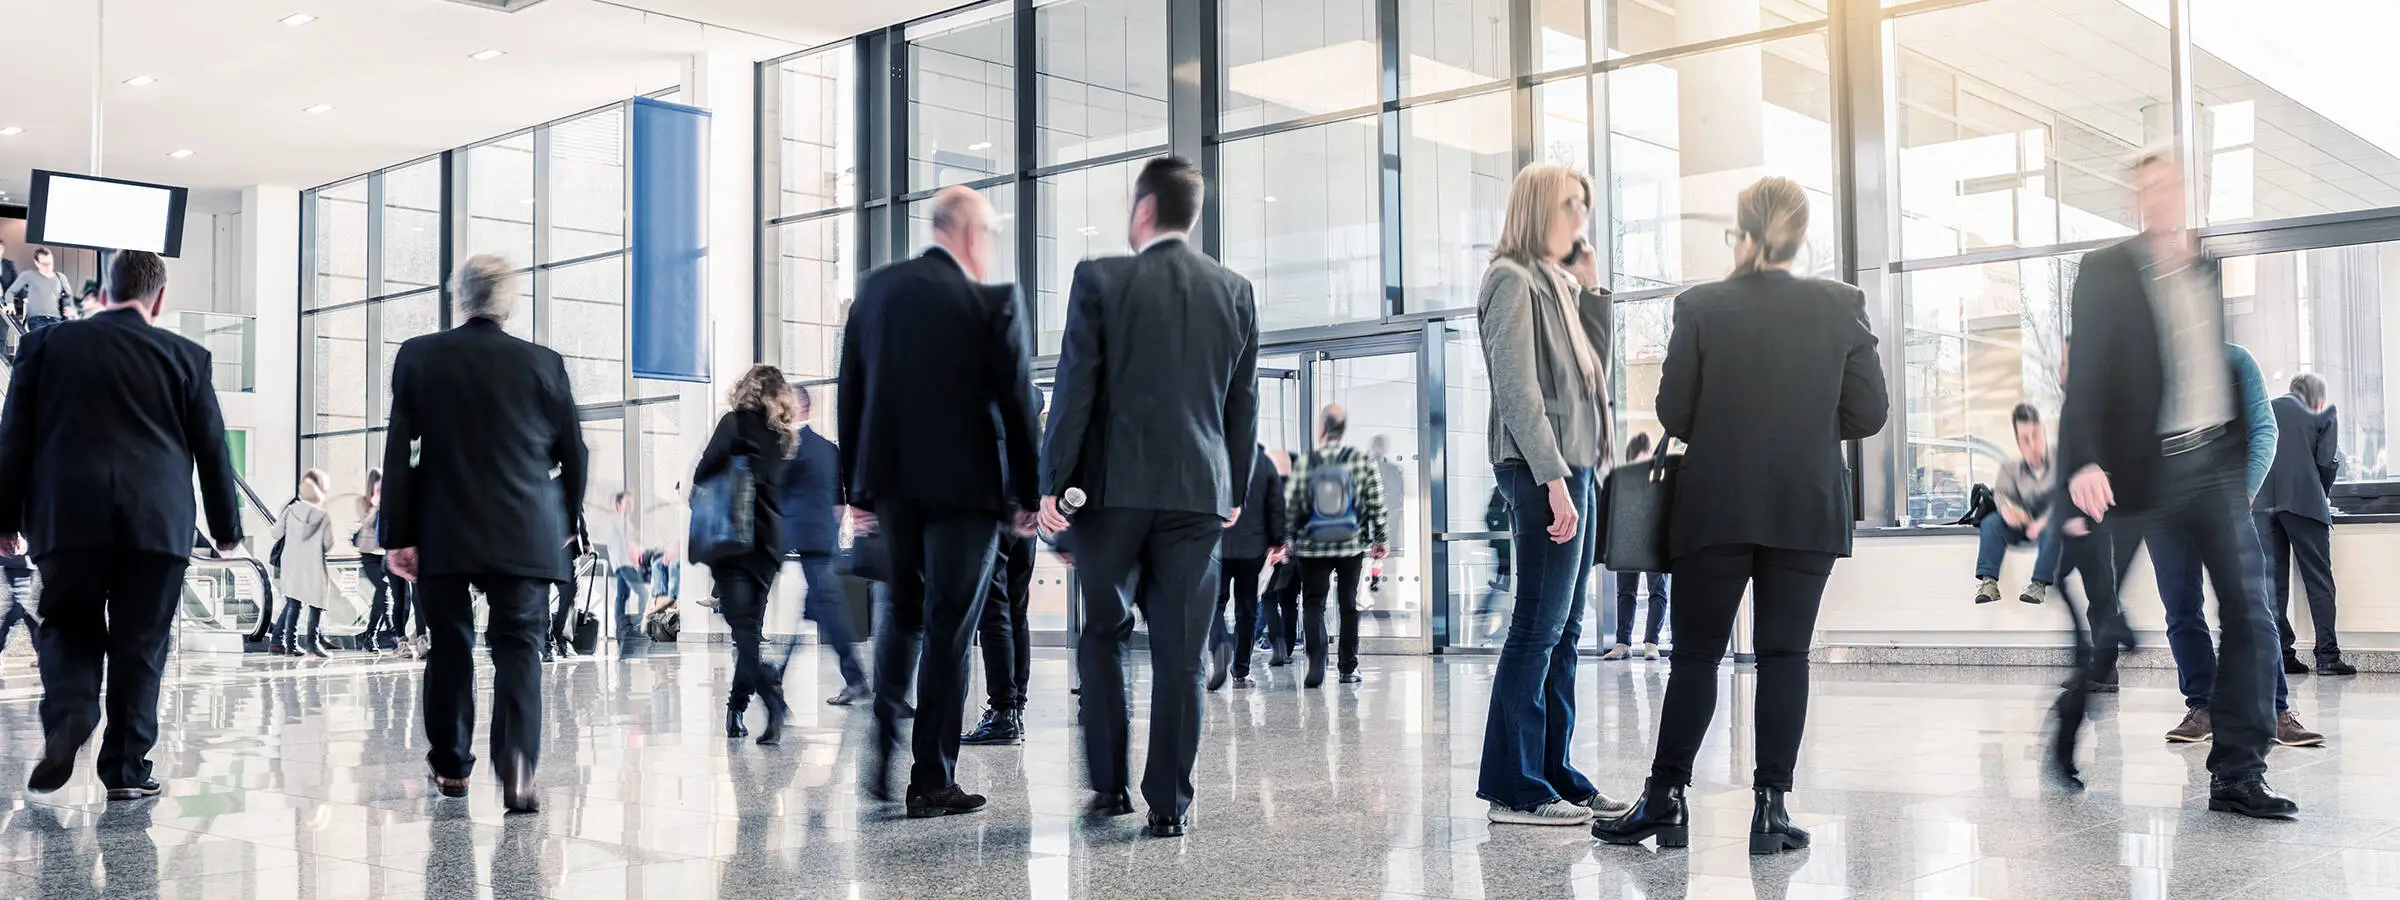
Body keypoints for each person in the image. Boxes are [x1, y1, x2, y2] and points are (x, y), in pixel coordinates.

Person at [1596, 176, 1888, 854]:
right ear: (1803, 232)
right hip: (1806, 504)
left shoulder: (1702, 305)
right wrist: (1807, 425)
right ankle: (1769, 811)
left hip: (1716, 503)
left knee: (1696, 657)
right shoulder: (1840, 304)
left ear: (1744, 230)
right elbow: (1869, 413)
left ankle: (1666, 798)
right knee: (1785, 657)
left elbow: (1674, 413)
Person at [2045, 151, 2293, 819]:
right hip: (2137, 467)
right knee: (2105, 621)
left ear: (2192, 193)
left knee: (2251, 613)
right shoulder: (2105, 272)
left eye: (2173, 185)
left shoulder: (2206, 272)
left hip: (2211, 464)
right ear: (2137, 198)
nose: (2161, 196)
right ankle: (2068, 721)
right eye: (2148, 187)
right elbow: (2087, 377)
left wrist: (2240, 466)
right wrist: (2084, 463)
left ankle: (2238, 773)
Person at [1039, 155, 1259, 838]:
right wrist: (1234, 489)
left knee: (1103, 634)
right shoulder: (1234, 289)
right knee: (1181, 651)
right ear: (1190, 216)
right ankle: (1170, 802)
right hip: (1198, 496)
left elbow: (1076, 391)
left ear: (1141, 211)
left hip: (1111, 496)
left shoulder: (1100, 278)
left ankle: (1109, 789)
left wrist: (1055, 491)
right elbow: (1241, 404)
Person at [0, 249, 245, 800]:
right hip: (156, 527)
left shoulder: (45, 344)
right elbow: (213, 450)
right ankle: (127, 770)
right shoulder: (188, 356)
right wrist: (228, 530)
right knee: (142, 644)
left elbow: (13, 435)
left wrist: (5, 517)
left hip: (68, 520)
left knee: (66, 624)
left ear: (104, 292)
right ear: (159, 298)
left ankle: (71, 713)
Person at [840, 185, 1041, 819]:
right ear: (971, 235)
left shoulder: (875, 291)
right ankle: (931, 780)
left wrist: (856, 489)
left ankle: (881, 739)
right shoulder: (991, 302)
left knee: (902, 609)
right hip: (968, 492)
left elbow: (851, 389)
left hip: (894, 483)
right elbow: (1018, 404)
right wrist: (1028, 496)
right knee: (950, 630)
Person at [381, 254, 588, 814]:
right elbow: (574, 453)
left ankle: (451, 767)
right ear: (508, 302)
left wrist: (396, 533)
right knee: (519, 648)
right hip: (525, 531)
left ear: (459, 298)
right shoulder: (545, 364)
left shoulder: (419, 356)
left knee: (450, 646)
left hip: (442, 528)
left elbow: (399, 448)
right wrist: (565, 524)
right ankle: (518, 771)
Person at [1470, 163, 1618, 828]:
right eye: (1569, 206)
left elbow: (1593, 379)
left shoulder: (1556, 287)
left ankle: (1553, 769)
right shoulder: (1510, 280)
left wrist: (1593, 294)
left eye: (1584, 207)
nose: (1580, 220)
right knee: (1536, 627)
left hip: (1575, 465)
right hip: (1540, 469)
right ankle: (1514, 786)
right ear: (1538, 210)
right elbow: (1518, 389)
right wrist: (1555, 480)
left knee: (1564, 632)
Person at [697, 364, 796, 746]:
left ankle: (768, 696)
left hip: (732, 542)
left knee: (744, 633)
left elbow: (703, 473)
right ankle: (737, 709)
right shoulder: (785, 437)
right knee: (749, 631)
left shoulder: (733, 423)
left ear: (746, 390)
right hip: (768, 548)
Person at [1280, 405, 1387, 690]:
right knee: (1348, 605)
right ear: (1343, 428)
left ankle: (1316, 664)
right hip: (1350, 545)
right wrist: (1381, 540)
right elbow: (1377, 504)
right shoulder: (1361, 460)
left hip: (1312, 546)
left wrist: (1290, 541)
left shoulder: (1307, 462)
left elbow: (1291, 507)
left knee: (1313, 603)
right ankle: (1348, 669)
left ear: (1322, 428)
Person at [777, 384, 868, 706]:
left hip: (800, 539)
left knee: (827, 610)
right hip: (822, 539)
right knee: (817, 608)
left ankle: (855, 678)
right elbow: (838, 504)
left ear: (795, 408)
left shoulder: (787, 446)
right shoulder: (829, 449)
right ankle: (779, 675)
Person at [2255, 372, 2350, 677]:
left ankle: (2282, 655)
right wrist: (2321, 492)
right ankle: (2327, 656)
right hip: (2304, 502)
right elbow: (2325, 461)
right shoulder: (2323, 411)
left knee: (2273, 583)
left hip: (2261, 505)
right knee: (2319, 580)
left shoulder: (2267, 407)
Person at [1972, 404, 2064, 605]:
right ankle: (1989, 583)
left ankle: (2038, 584)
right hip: (2022, 525)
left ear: (2044, 433)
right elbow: (2002, 494)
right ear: (2018, 443)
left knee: (2053, 526)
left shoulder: (2061, 460)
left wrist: (2042, 521)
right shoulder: (2010, 468)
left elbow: (2065, 497)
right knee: (1991, 523)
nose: (2032, 444)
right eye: (2025, 440)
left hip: (2050, 524)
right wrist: (2006, 510)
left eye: (2035, 436)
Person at [1213, 443, 1285, 689]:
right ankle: (1241, 671)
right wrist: (1278, 542)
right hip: (1252, 550)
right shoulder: (1263, 463)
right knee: (1247, 610)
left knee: (1215, 604)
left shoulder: (1214, 455)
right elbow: (1276, 507)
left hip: (1217, 546)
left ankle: (1219, 645)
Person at [962, 535, 1035, 745]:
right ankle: (1016, 712)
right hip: (1029, 519)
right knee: (1017, 609)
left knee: (993, 609)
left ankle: (1003, 713)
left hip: (997, 515)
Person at [1604, 433, 1669, 661]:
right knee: (1626, 593)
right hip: (1628, 543)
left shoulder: (1658, 479)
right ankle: (1623, 643)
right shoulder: (1624, 481)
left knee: (1658, 591)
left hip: (1653, 543)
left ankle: (1651, 642)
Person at [268, 470, 336, 658]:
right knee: (316, 602)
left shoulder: (290, 511)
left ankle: (290, 645)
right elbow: (328, 544)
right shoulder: (323, 516)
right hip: (313, 564)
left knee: (293, 602)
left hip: (291, 563)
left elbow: (275, 533)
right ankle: (312, 643)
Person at [355, 469, 396, 653]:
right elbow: (366, 524)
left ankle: (379, 633)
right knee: (383, 589)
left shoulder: (387, 502)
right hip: (368, 554)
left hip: (384, 553)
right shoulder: (362, 502)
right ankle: (373, 635)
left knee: (384, 594)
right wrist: (376, 506)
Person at [598, 493, 647, 642]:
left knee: (622, 597)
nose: (630, 507)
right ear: (619, 505)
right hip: (624, 564)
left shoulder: (624, 522)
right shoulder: (617, 521)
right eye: (627, 504)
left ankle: (620, 632)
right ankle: (640, 627)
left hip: (622, 564)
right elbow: (629, 541)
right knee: (643, 593)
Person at [4, 248, 74, 323]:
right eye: (44, 264)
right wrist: (10, 304)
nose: (48, 267)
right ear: (36, 263)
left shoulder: (60, 277)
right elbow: (10, 292)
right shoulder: (29, 275)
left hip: (57, 319)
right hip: (37, 319)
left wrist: (68, 308)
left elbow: (68, 296)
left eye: (50, 263)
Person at [0, 539, 32, 657]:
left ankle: (42, 653)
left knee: (24, 610)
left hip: (22, 561)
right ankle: (43, 652)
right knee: (22, 610)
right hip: (17, 560)